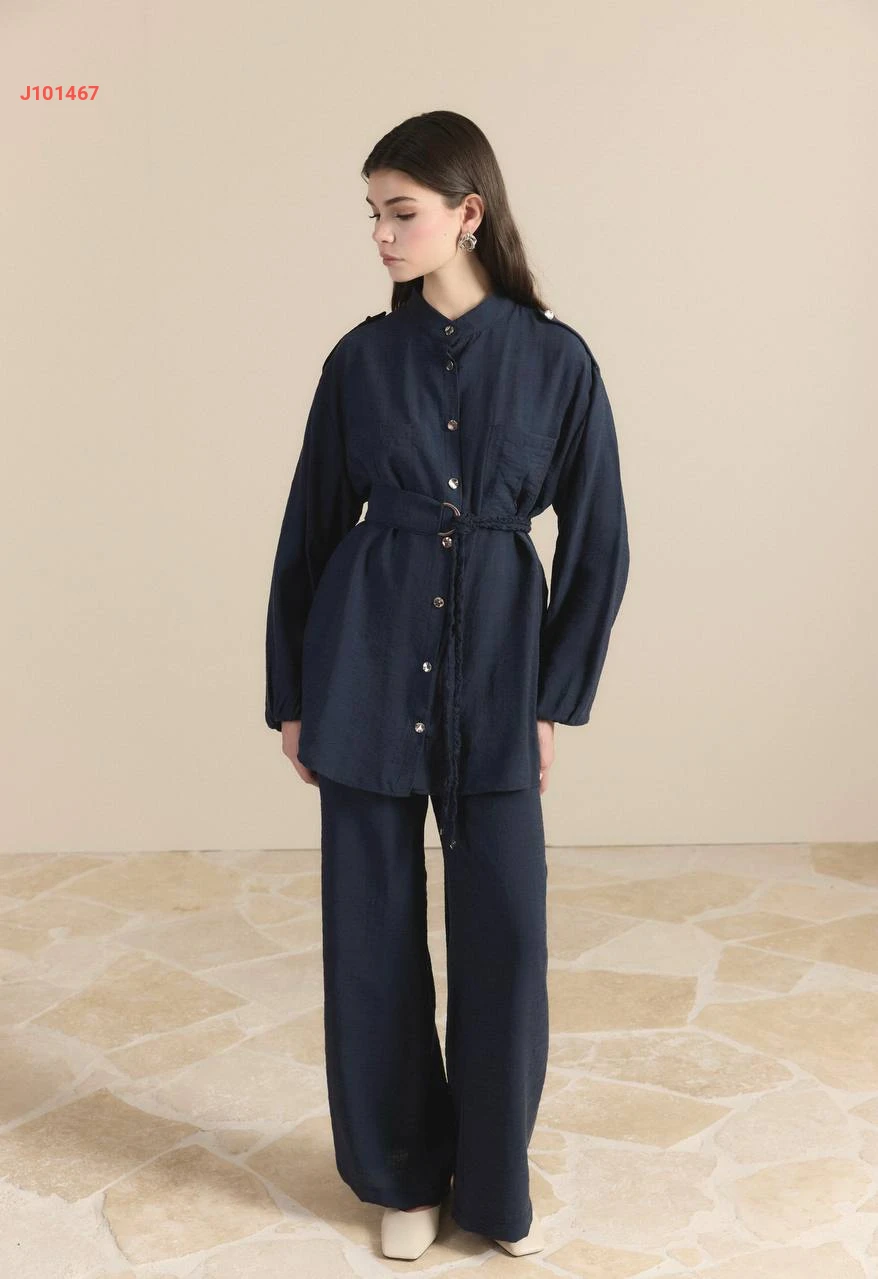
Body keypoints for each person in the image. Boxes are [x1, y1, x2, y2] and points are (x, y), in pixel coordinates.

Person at [264, 109, 630, 1261]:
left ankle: (494, 1184)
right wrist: (292, 691)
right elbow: (309, 529)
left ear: (467, 213)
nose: (380, 234)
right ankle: (400, 1176)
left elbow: (599, 542)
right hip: (362, 667)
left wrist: (551, 697)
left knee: (503, 938)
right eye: (372, 214)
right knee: (371, 938)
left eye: (401, 212)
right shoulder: (359, 361)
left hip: (497, 677)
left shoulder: (556, 360)